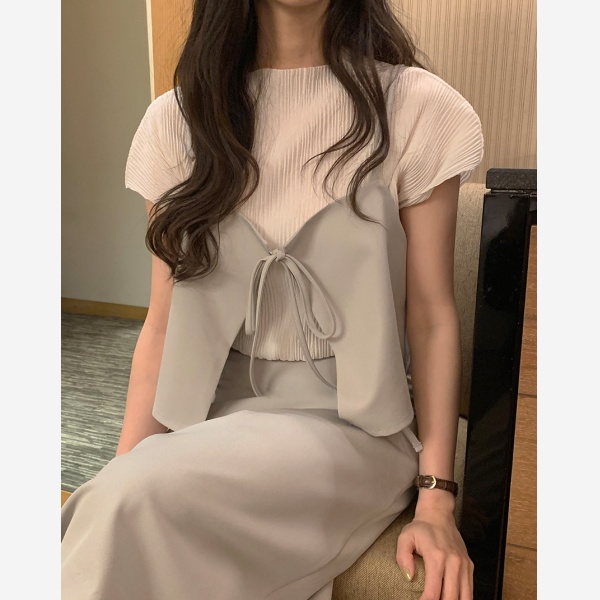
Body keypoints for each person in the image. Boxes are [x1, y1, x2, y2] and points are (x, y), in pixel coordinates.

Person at [61, 0, 484, 599]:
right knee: (111, 503)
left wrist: (437, 501)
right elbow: (163, 326)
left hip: (356, 426)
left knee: (130, 503)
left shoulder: (419, 108)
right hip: (210, 413)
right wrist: (122, 465)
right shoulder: (177, 122)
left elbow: (432, 317)